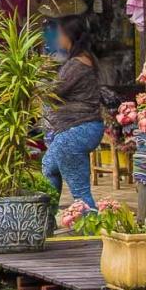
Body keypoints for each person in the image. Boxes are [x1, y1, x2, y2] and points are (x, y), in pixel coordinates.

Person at [42, 15, 104, 210]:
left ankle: (92, 228)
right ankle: (46, 219)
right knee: (49, 166)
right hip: (78, 129)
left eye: (60, 34)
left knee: (80, 190)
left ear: (70, 36)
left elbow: (53, 92)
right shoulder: (81, 60)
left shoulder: (77, 64)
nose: (58, 39)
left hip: (77, 129)